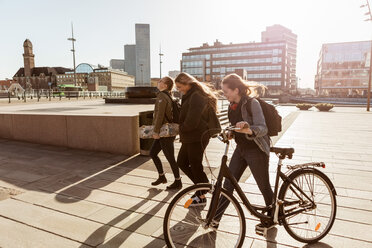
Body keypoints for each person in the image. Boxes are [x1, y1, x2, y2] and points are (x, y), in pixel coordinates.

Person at [214, 73, 274, 228]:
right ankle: (215, 219)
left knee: (264, 186)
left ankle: (272, 216)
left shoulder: (252, 103)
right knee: (228, 186)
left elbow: (262, 128)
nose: (224, 94)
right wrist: (230, 133)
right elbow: (235, 127)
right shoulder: (231, 106)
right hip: (241, 150)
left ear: (236, 90)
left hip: (256, 150)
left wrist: (248, 129)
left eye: (226, 91)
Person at [174, 72, 218, 206]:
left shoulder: (196, 96)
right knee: (182, 162)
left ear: (188, 83)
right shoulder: (190, 95)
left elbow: (192, 121)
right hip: (190, 137)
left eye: (180, 86)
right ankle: (202, 188)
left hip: (197, 136)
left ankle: (201, 192)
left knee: (195, 165)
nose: (179, 90)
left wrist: (178, 128)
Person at [150, 76, 182, 190]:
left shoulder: (162, 96)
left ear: (166, 85)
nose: (158, 82)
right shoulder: (168, 96)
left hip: (164, 132)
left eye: (161, 81)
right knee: (153, 153)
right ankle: (162, 176)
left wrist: (156, 131)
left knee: (170, 157)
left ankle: (178, 181)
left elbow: (160, 115)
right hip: (165, 131)